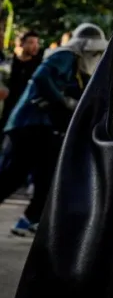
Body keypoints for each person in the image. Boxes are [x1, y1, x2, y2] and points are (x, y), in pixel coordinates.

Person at [0, 23, 106, 236]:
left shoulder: (77, 66)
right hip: (30, 124)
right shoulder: (66, 56)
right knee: (16, 174)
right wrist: (64, 102)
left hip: (44, 128)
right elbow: (41, 78)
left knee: (47, 175)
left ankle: (29, 219)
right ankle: (30, 219)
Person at [0, 31, 42, 132]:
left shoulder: (39, 65)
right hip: (7, 108)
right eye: (31, 43)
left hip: (26, 112)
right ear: (21, 44)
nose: (35, 46)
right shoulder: (9, 63)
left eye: (37, 43)